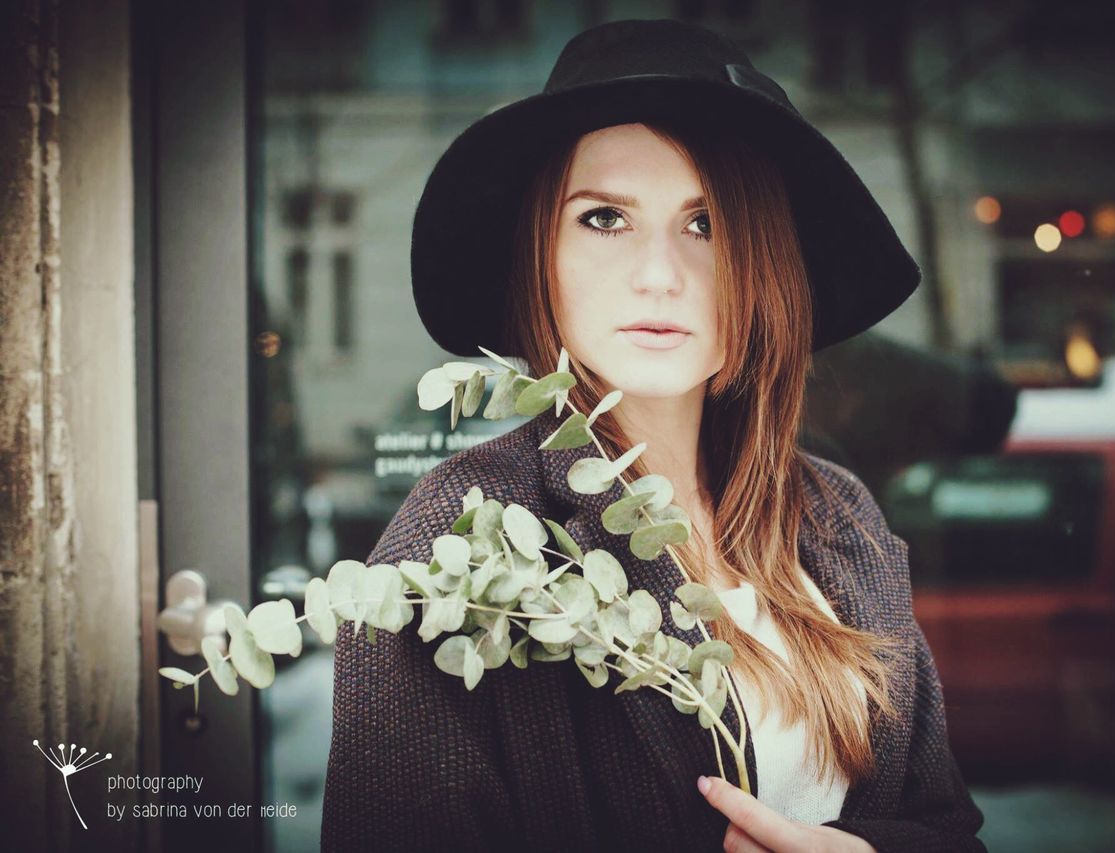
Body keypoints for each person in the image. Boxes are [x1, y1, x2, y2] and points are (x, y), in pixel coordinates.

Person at [322, 18, 985, 853]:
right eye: (604, 218)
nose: (661, 274)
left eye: (705, 223)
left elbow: (951, 828)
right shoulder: (462, 546)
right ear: (541, 255)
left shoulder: (834, 517)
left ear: (762, 262)